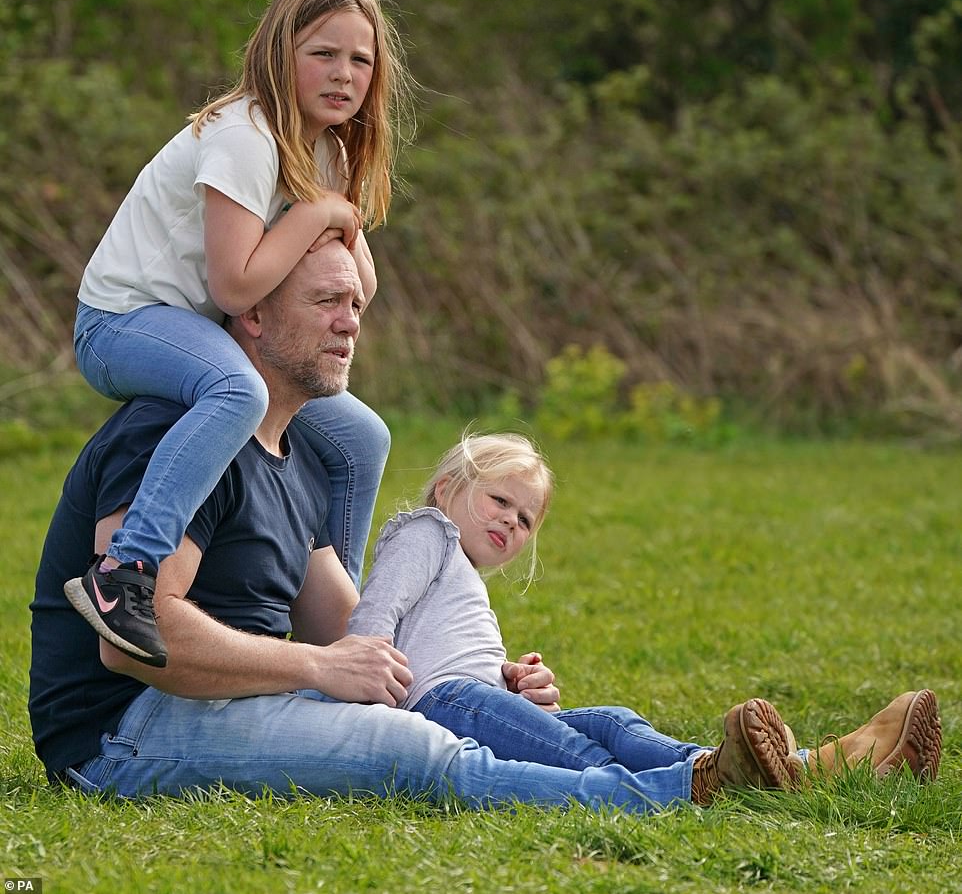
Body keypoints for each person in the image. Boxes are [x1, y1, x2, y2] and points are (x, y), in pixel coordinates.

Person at [31, 239, 817, 812]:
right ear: (254, 315)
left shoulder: (295, 454)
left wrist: (481, 676)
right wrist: (314, 668)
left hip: (238, 697)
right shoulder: (169, 434)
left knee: (488, 714)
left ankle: (768, 765)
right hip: (122, 732)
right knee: (413, 748)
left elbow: (356, 632)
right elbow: (134, 640)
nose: (350, 325)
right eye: (325, 303)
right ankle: (687, 791)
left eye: (357, 306)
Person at [65, 0, 414, 668]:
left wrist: (334, 207)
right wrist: (320, 212)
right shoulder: (245, 134)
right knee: (238, 391)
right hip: (122, 322)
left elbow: (360, 283)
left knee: (360, 436)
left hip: (193, 328)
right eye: (323, 53)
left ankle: (341, 622)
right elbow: (235, 284)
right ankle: (124, 573)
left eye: (361, 60)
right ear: (280, 52)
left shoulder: (326, 149)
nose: (343, 74)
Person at [347, 432, 943, 788]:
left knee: (611, 722)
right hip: (447, 706)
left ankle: (778, 767)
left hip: (473, 700)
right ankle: (721, 780)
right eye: (500, 500)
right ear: (449, 487)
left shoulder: (459, 569)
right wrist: (371, 694)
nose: (511, 519)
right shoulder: (425, 531)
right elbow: (377, 615)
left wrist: (518, 682)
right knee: (582, 754)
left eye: (525, 518)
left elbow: (444, 645)